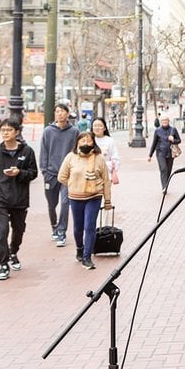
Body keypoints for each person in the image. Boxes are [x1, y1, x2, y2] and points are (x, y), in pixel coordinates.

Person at [0, 116, 38, 280]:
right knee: (1, 231)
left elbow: (33, 173)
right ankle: (3, 265)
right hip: (0, 199)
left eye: (9, 130)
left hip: (19, 199)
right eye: (3, 130)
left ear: (17, 132)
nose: (5, 133)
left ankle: (13, 252)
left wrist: (20, 173)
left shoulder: (27, 151)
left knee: (18, 231)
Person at [58, 131, 112, 270]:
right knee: (78, 227)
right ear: (77, 143)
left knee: (89, 226)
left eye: (89, 141)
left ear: (93, 143)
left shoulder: (99, 158)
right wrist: (74, 184)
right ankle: (79, 249)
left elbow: (106, 180)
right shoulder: (71, 157)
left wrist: (107, 200)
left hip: (94, 197)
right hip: (76, 197)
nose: (86, 143)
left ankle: (87, 257)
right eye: (82, 141)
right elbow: (62, 177)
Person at [40, 102, 79, 247]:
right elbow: (44, 152)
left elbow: (77, 151)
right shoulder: (48, 131)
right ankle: (54, 226)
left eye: (62, 111)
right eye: (57, 111)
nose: (60, 114)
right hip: (50, 173)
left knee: (64, 203)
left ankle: (62, 231)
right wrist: (44, 171)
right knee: (52, 204)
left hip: (68, 175)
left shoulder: (74, 131)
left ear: (67, 114)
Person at [148, 115, 180, 190]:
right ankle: (164, 187)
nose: (164, 122)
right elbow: (154, 143)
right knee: (163, 169)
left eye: (166, 120)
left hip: (170, 153)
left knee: (168, 171)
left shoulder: (173, 130)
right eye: (163, 121)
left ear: (168, 121)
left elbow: (179, 140)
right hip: (160, 153)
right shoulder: (157, 131)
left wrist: (173, 140)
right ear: (161, 122)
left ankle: (166, 184)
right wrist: (150, 155)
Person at [92, 117, 120, 185]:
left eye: (100, 125)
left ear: (104, 128)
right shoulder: (89, 139)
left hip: (106, 174)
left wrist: (108, 167)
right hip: (91, 175)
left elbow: (115, 158)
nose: (97, 128)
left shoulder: (110, 140)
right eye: (95, 126)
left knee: (106, 194)